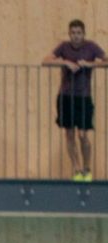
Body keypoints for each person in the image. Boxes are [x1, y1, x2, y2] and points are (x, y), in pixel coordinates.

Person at [43, 20, 107, 181]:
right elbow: (45, 61)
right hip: (65, 96)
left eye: (79, 33)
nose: (76, 36)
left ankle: (87, 168)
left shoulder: (91, 47)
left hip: (83, 97)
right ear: (69, 34)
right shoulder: (64, 47)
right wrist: (65, 62)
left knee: (83, 135)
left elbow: (106, 60)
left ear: (83, 34)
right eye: (73, 33)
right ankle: (77, 169)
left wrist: (89, 64)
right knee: (69, 134)